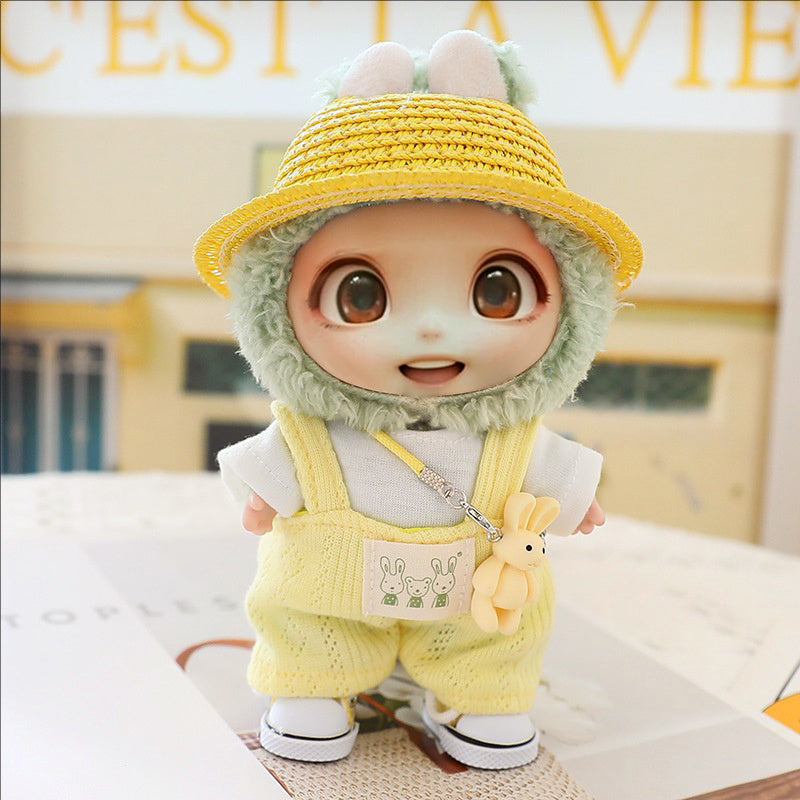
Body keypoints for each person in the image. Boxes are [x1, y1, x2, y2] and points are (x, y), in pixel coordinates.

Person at [195, 30, 642, 769]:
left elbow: (547, 466)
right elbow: (272, 468)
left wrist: (574, 496)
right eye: (361, 295)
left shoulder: (513, 436)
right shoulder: (308, 431)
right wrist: (264, 497)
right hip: (331, 594)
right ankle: (311, 690)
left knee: (492, 637)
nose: (432, 328)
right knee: (311, 628)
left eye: (496, 291)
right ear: (276, 304)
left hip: (475, 598)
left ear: (572, 301)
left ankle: (481, 699)